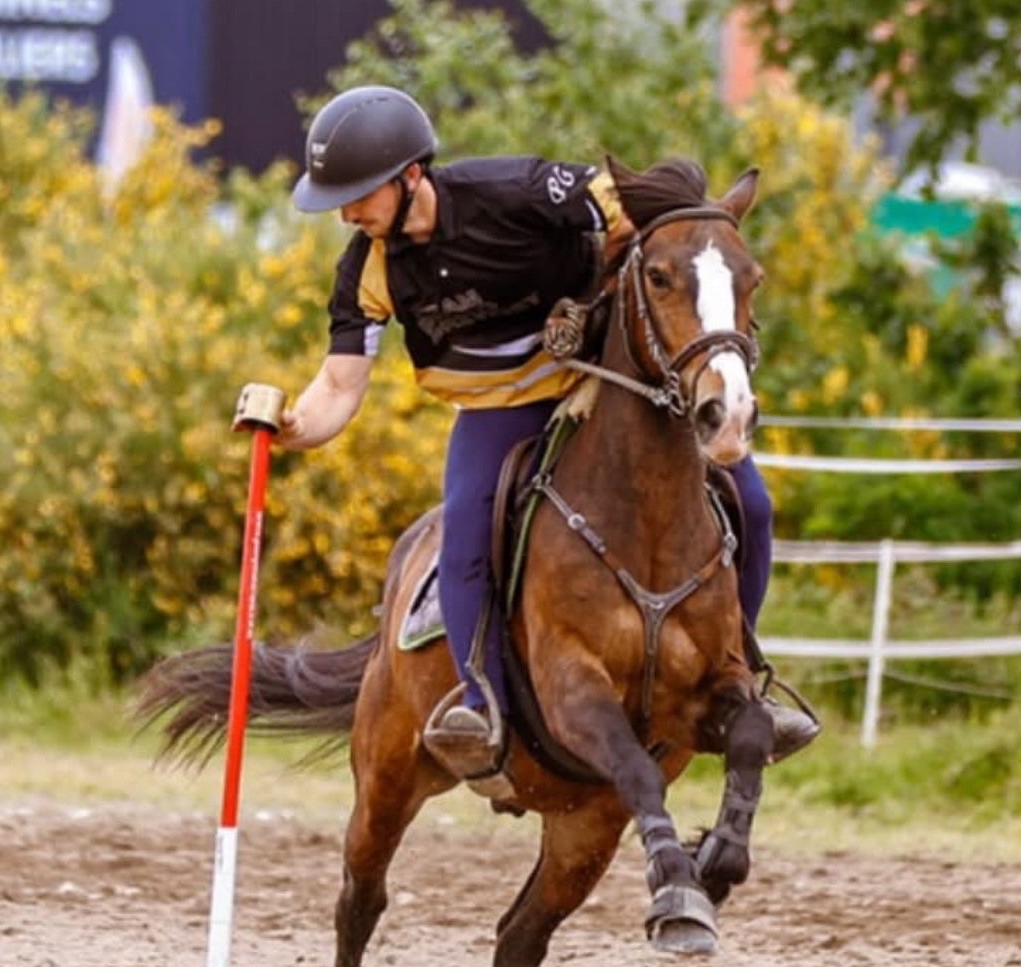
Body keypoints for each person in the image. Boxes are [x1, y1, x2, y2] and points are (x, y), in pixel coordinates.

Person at [279, 85, 817, 777]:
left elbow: (636, 214)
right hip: (497, 407)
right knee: (467, 531)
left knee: (756, 506)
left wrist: (596, 293)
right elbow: (339, 385)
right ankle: (480, 707)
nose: (347, 213)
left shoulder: (515, 191)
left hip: (603, 379)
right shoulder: (367, 267)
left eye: (358, 195)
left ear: (411, 176)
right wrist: (293, 426)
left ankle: (739, 681)